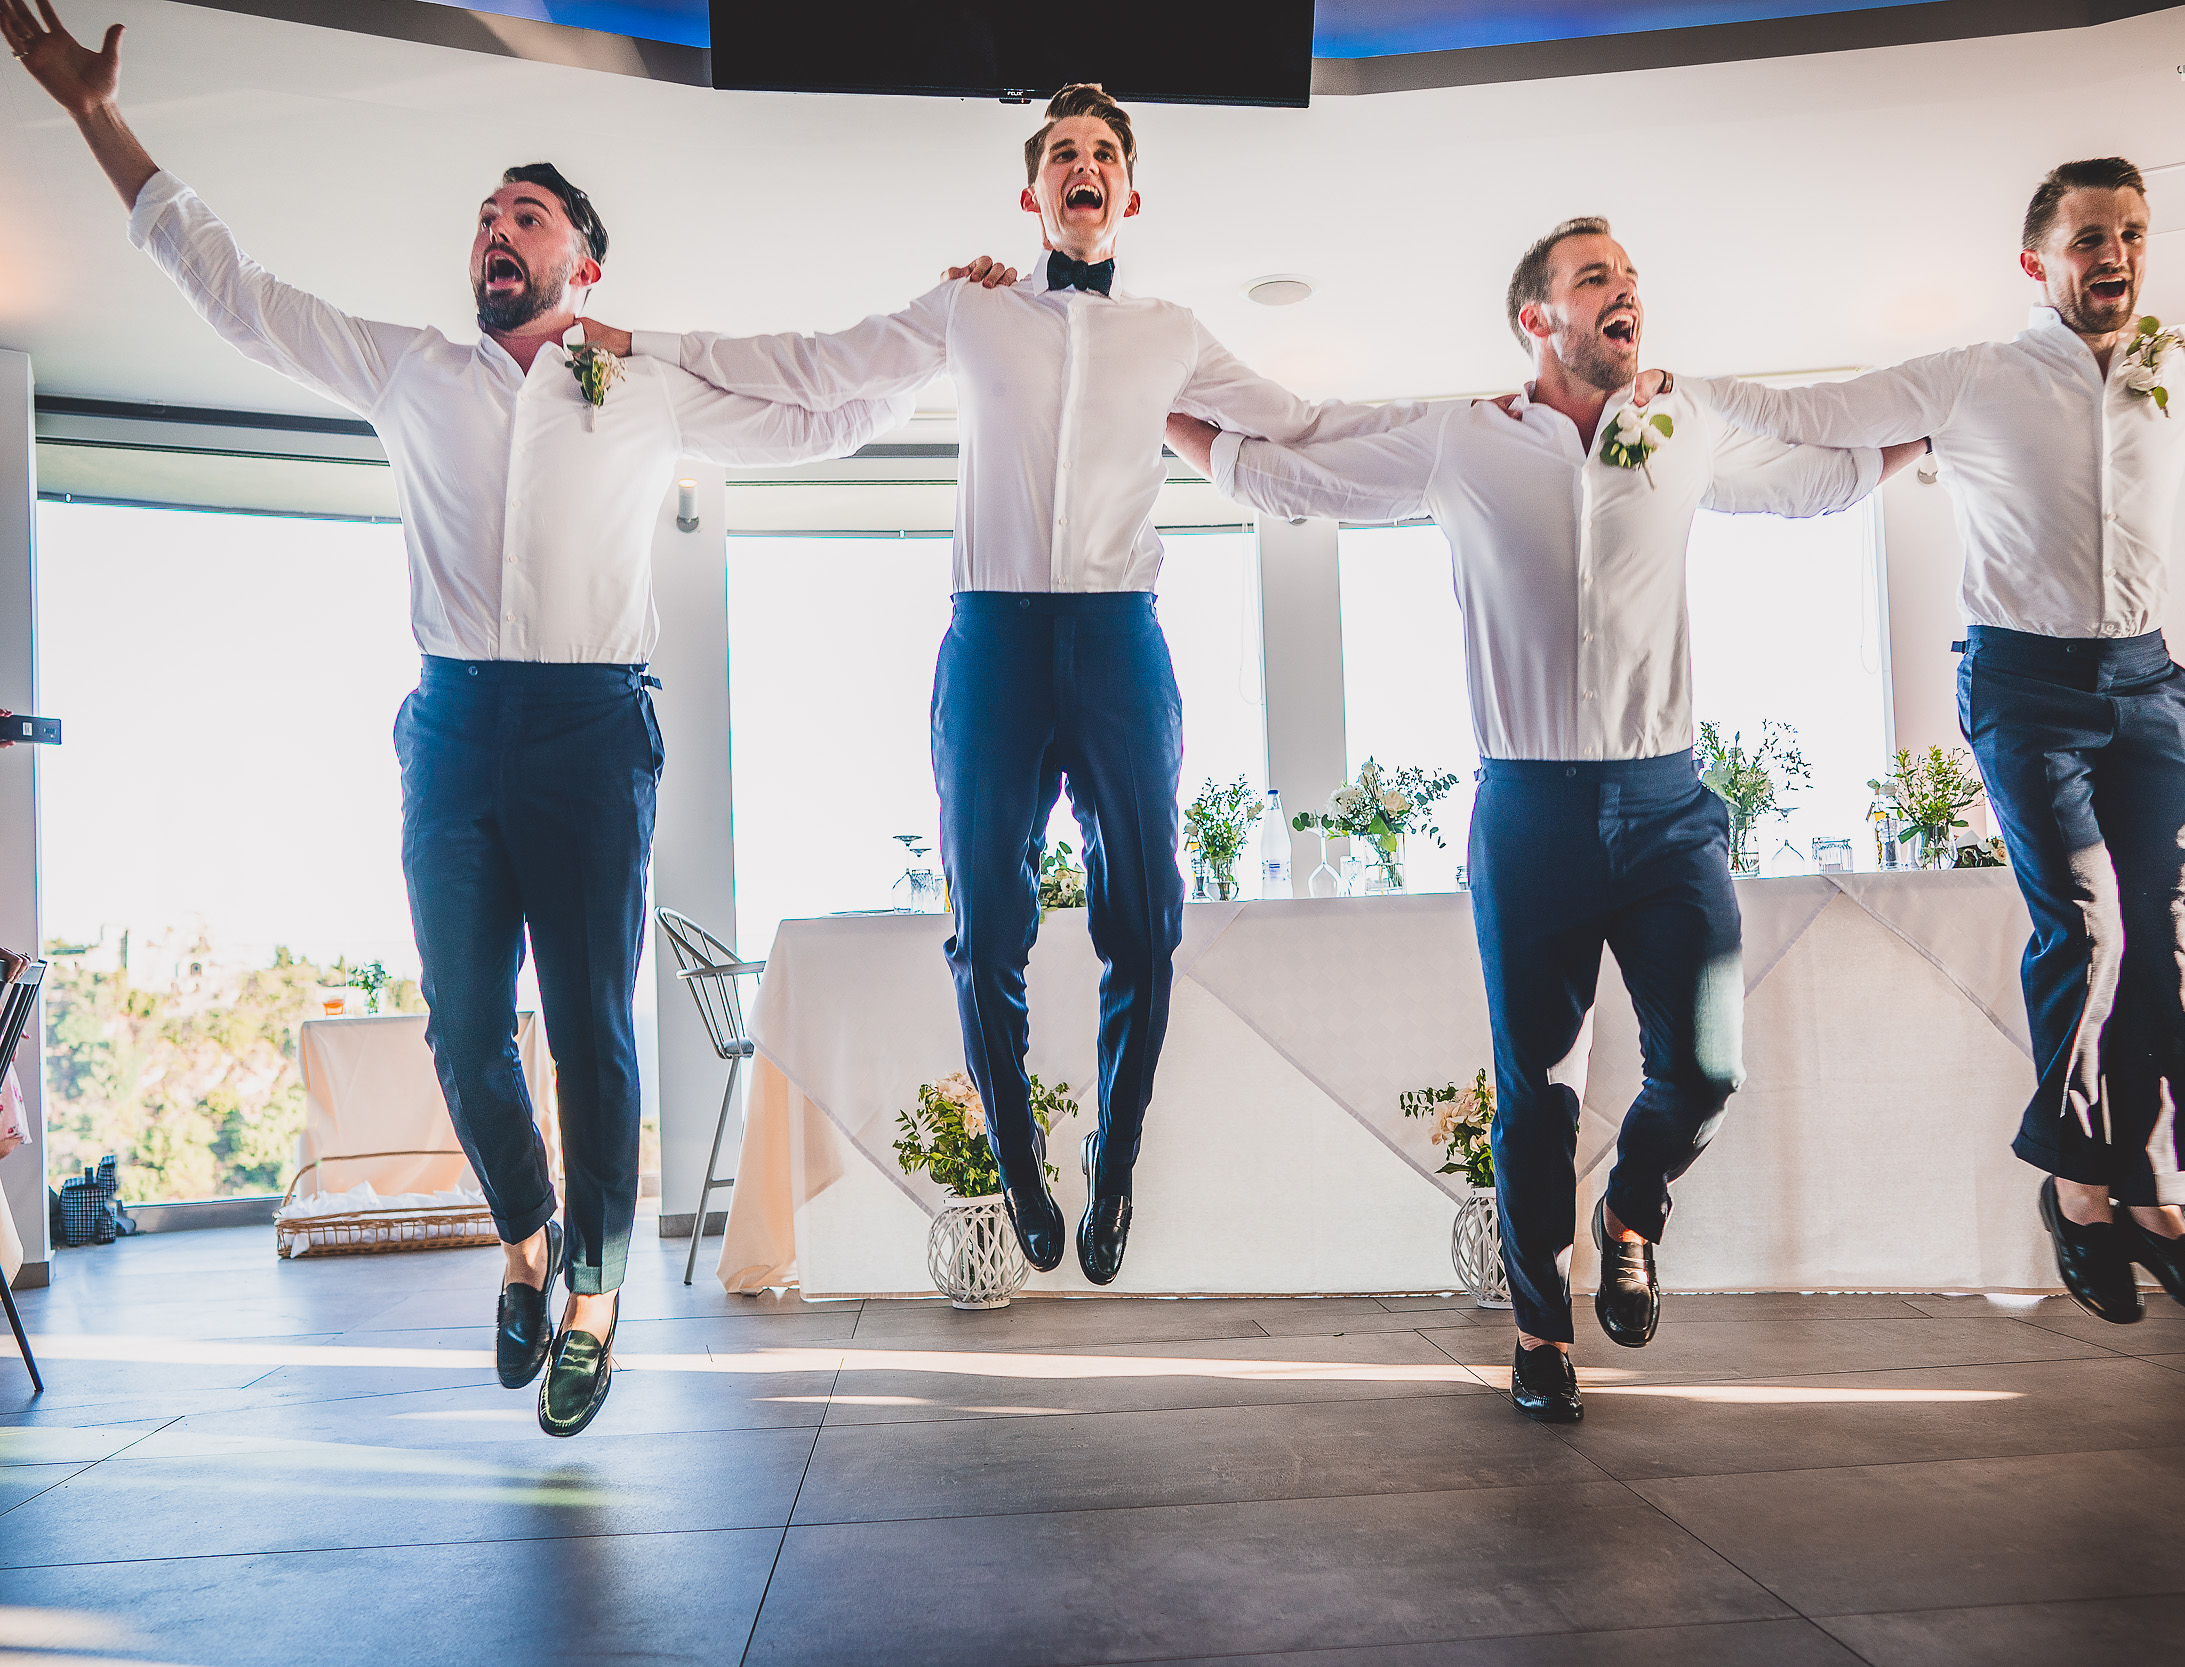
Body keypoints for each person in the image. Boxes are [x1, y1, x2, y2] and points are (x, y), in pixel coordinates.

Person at [4, 3, 912, 1434]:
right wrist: (92, 116)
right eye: (487, 213)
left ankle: (597, 1301)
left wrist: (968, 343)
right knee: (467, 1032)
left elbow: (823, 416)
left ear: (582, 261)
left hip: (595, 727)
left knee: (594, 1029)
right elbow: (230, 287)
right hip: (451, 728)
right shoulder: (411, 372)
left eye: (529, 214)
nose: (496, 226)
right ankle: (530, 1240)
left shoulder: (640, 381)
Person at [579, 84, 1421, 1287]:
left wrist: (1465, 435)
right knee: (985, 927)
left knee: (1150, 918)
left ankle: (1114, 1160)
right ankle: (1020, 1162)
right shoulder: (970, 308)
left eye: (1104, 154)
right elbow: (815, 365)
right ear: (1034, 194)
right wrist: (639, 342)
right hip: (994, 646)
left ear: (1128, 193)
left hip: (1122, 640)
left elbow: (1302, 425)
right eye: (1064, 152)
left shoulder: (1172, 330)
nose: (1085, 166)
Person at [1684, 157, 2185, 1330]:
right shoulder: (1972, 379)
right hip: (2022, 680)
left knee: (2166, 932)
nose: (2110, 252)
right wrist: (1673, 391)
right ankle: (2077, 1188)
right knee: (2087, 922)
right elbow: (1809, 413)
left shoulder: (2183, 368)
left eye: (2127, 233)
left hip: (2146, 683)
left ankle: (2156, 1198)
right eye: (2085, 237)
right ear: (2038, 262)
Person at [1166, 216, 1922, 1421]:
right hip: (1526, 810)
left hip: (1669, 805)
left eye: (1630, 277)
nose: (1627, 293)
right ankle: (1536, 1331)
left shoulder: (1679, 427)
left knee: (1707, 1067)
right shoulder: (1458, 439)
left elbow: (1819, 485)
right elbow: (1282, 473)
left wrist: (1947, 420)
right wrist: (1149, 402)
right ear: (1539, 318)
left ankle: (1629, 1211)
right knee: (1536, 1096)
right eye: (1596, 279)